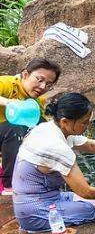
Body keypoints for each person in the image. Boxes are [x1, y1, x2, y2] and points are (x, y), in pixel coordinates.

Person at [12, 92, 95, 232]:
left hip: (48, 199)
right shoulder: (55, 146)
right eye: (84, 122)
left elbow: (90, 145)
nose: (88, 125)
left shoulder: (51, 128)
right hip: (36, 212)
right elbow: (84, 191)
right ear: (65, 122)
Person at [0, 59, 60, 196]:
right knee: (13, 128)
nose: (43, 86)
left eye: (48, 84)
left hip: (7, 140)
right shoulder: (7, 83)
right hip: (8, 132)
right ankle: (9, 185)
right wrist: (8, 102)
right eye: (39, 80)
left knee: (44, 128)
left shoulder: (36, 103)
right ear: (25, 75)